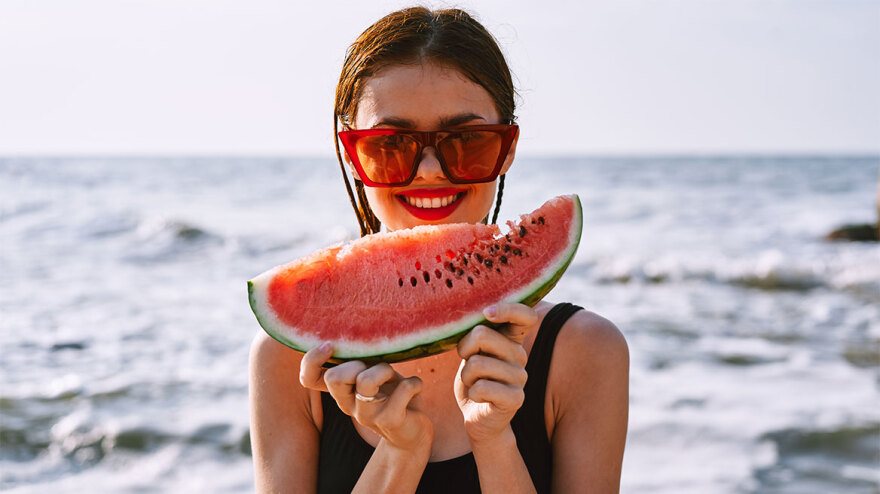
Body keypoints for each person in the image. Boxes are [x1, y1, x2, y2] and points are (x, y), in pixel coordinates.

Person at [249, 7, 629, 493]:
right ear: (352, 154)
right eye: (390, 143)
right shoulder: (290, 360)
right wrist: (400, 451)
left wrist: (494, 440)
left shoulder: (586, 353)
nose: (429, 169)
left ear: (507, 148)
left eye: (467, 140)